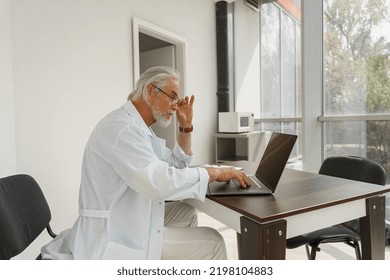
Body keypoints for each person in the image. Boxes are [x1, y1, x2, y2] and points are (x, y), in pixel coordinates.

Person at [41, 66, 250, 260]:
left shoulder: (140, 129)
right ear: (151, 90)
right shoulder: (122, 129)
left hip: (128, 215)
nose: (175, 106)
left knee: (185, 212)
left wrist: (185, 127)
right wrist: (211, 173)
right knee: (213, 242)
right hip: (111, 231)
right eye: (172, 97)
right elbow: (159, 183)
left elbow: (176, 165)